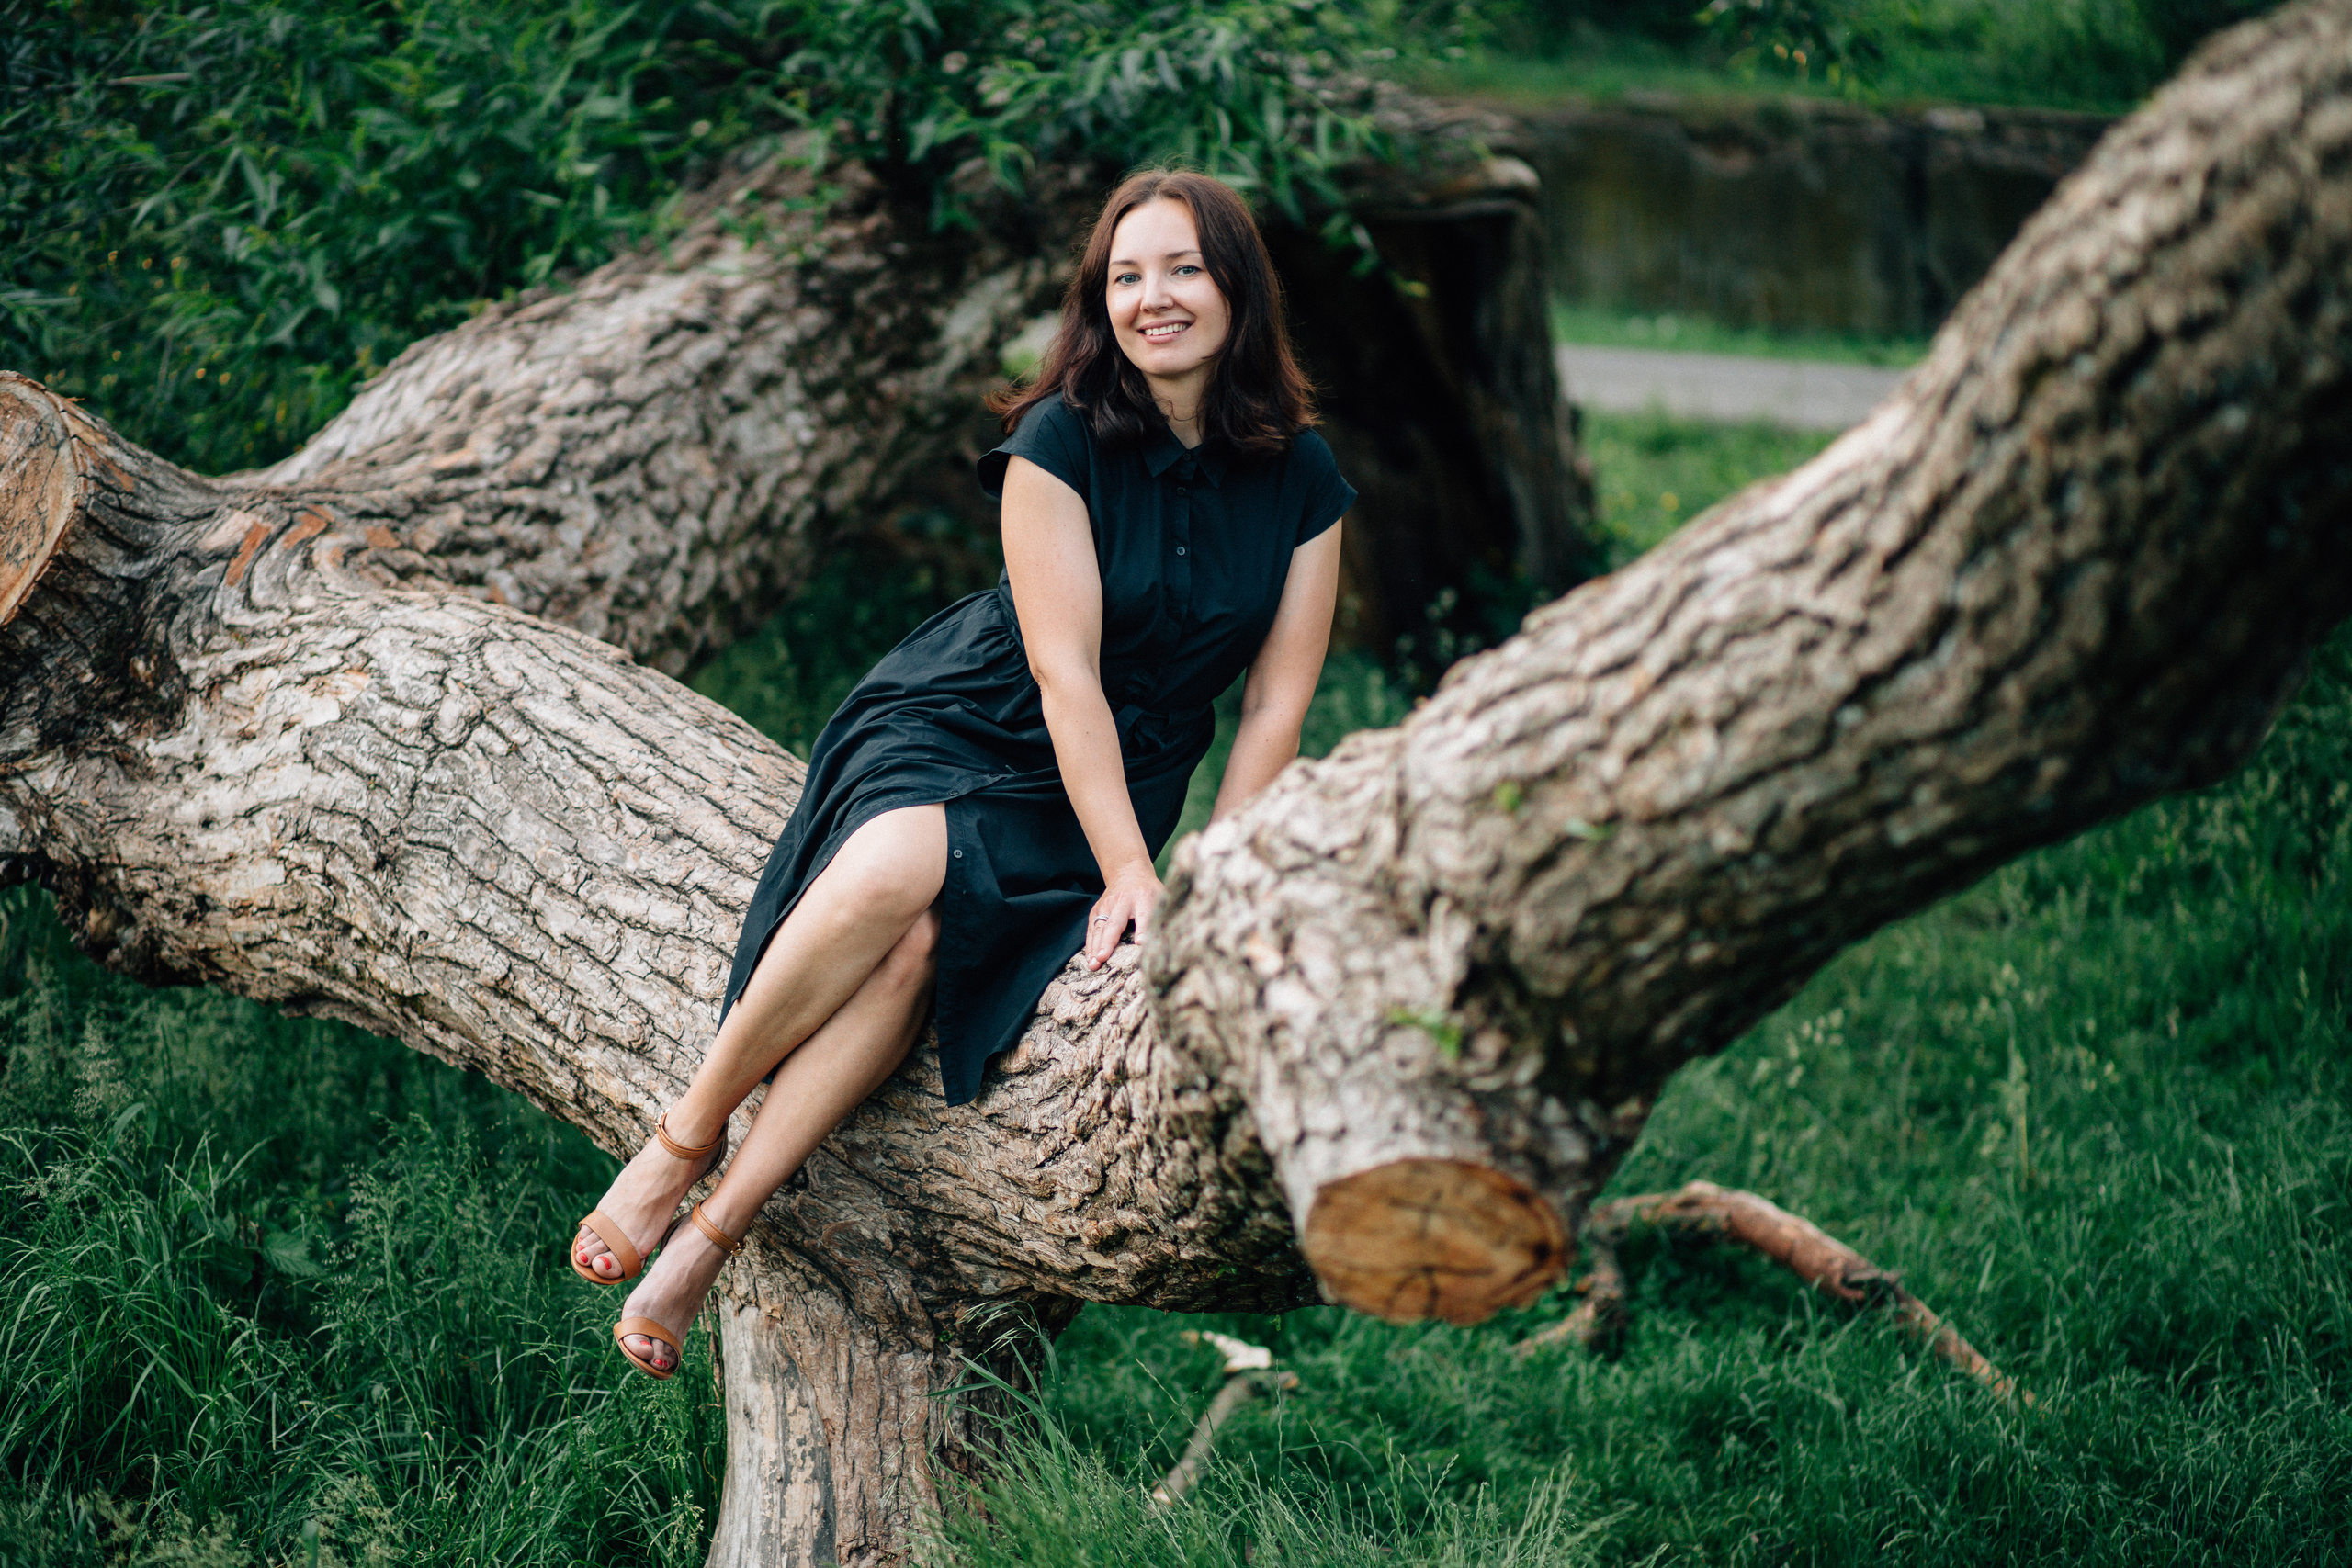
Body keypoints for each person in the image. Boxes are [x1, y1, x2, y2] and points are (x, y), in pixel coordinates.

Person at [565, 167, 1356, 1379]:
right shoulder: (1058, 439)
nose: (1154, 298)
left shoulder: (1303, 478)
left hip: (1122, 779)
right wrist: (1129, 871)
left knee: (922, 953)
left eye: (1184, 269)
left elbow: (1273, 706)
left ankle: (712, 1238)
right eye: (1127, 274)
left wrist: (1207, 889)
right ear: (1102, 297)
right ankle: (684, 1137)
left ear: (1238, 290)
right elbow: (1064, 677)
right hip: (972, 716)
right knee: (894, 869)